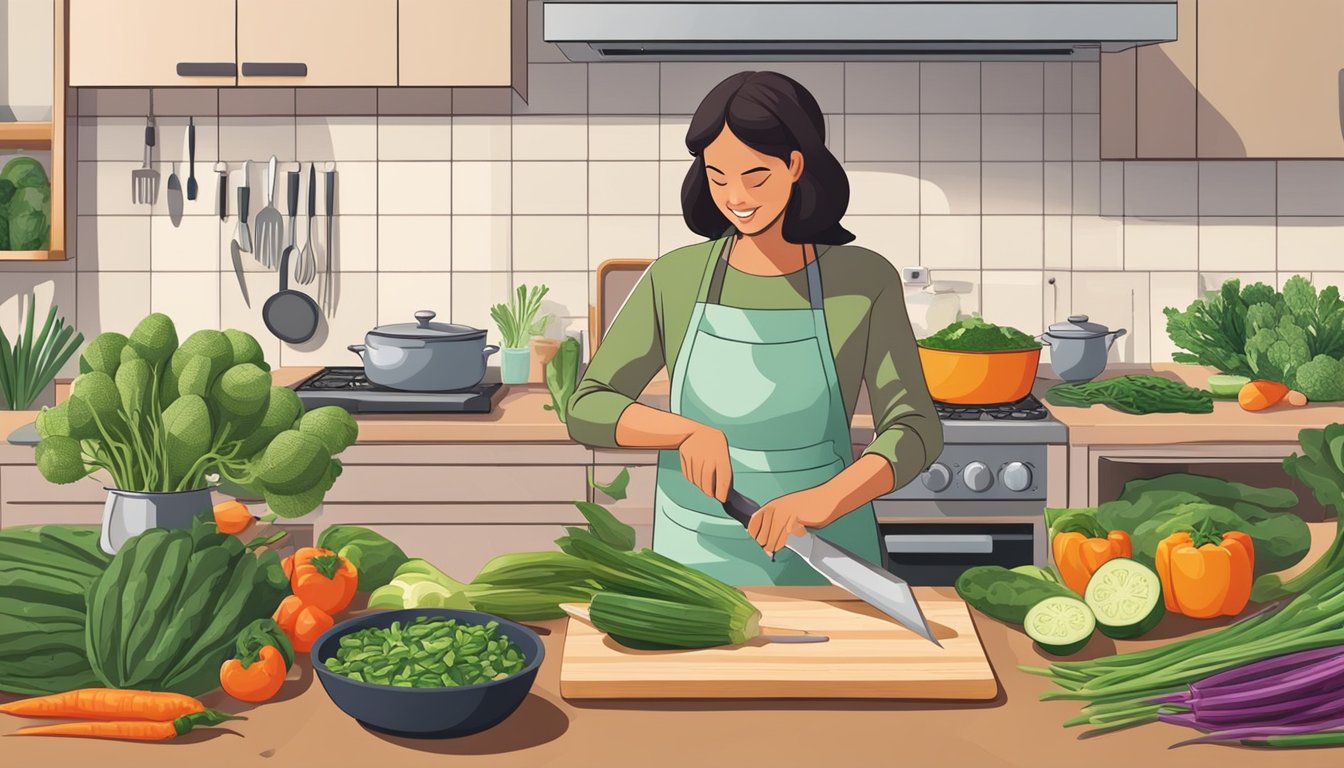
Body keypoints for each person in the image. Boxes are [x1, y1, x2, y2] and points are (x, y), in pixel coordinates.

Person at [567, 71, 943, 586]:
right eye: (718, 176)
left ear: (794, 164)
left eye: (755, 175)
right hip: (696, 562)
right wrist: (684, 431)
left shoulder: (862, 279)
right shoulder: (675, 278)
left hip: (828, 554)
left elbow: (916, 429)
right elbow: (588, 406)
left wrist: (825, 500)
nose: (736, 196)